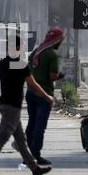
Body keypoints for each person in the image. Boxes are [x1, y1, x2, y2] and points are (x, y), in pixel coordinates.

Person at [0, 35, 54, 175]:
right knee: (1, 138)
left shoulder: (2, 64)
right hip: (12, 106)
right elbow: (33, 85)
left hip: (4, 104)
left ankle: (35, 169)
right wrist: (47, 97)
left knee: (21, 141)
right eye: (20, 46)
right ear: (16, 48)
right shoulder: (21, 65)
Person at [21, 27, 65, 165]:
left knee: (32, 123)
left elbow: (30, 69)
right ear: (56, 40)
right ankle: (35, 155)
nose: (61, 43)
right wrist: (60, 75)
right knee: (40, 125)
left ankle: (27, 154)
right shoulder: (52, 55)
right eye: (61, 40)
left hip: (31, 92)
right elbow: (52, 77)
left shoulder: (36, 51)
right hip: (44, 94)